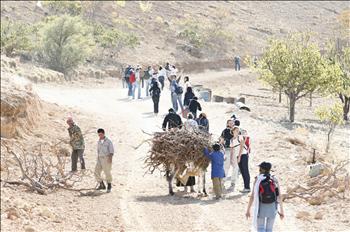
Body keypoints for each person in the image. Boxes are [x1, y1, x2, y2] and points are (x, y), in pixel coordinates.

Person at [246, 162, 284, 232]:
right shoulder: (274, 179)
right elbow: (279, 196)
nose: (259, 170)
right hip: (272, 209)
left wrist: (248, 210)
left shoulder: (258, 179)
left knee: (260, 229)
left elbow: (252, 196)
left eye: (260, 169)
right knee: (269, 229)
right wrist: (282, 211)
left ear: (262, 170)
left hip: (261, 209)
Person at [231, 126, 250, 193]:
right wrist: (232, 159)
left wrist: (239, 157)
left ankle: (247, 187)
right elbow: (233, 149)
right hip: (238, 156)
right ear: (233, 131)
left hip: (243, 155)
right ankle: (246, 187)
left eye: (238, 130)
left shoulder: (240, 137)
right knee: (242, 171)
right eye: (236, 130)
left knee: (245, 171)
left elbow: (242, 147)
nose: (237, 131)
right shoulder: (232, 139)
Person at [95, 128, 114, 193]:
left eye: (101, 134)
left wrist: (110, 159)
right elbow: (98, 150)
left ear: (103, 133)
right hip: (99, 158)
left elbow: (111, 151)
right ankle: (101, 184)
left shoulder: (108, 141)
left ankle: (109, 185)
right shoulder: (98, 142)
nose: (100, 136)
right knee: (96, 171)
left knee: (107, 172)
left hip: (106, 158)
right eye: (99, 135)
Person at [221, 119, 234, 185]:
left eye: (232, 123)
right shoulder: (225, 131)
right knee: (226, 165)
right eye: (230, 123)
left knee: (231, 166)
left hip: (233, 150)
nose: (231, 124)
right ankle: (223, 180)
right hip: (227, 149)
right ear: (227, 124)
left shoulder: (235, 130)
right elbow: (222, 140)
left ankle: (231, 180)